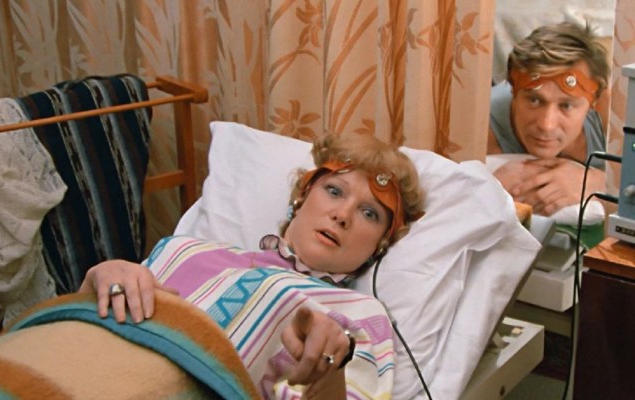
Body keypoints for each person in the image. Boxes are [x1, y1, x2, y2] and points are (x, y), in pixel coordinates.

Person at [79, 131, 425, 399]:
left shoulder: (357, 318)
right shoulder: (182, 248)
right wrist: (99, 279)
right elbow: (82, 338)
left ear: (380, 245)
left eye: (370, 213)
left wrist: (330, 374)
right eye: (334, 191)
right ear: (302, 196)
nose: (343, 214)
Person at [488, 21, 611, 217]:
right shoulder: (484, 126)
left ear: (594, 100)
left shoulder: (613, 113)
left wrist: (598, 183)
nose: (547, 125)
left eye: (566, 105)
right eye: (534, 100)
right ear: (513, 89)